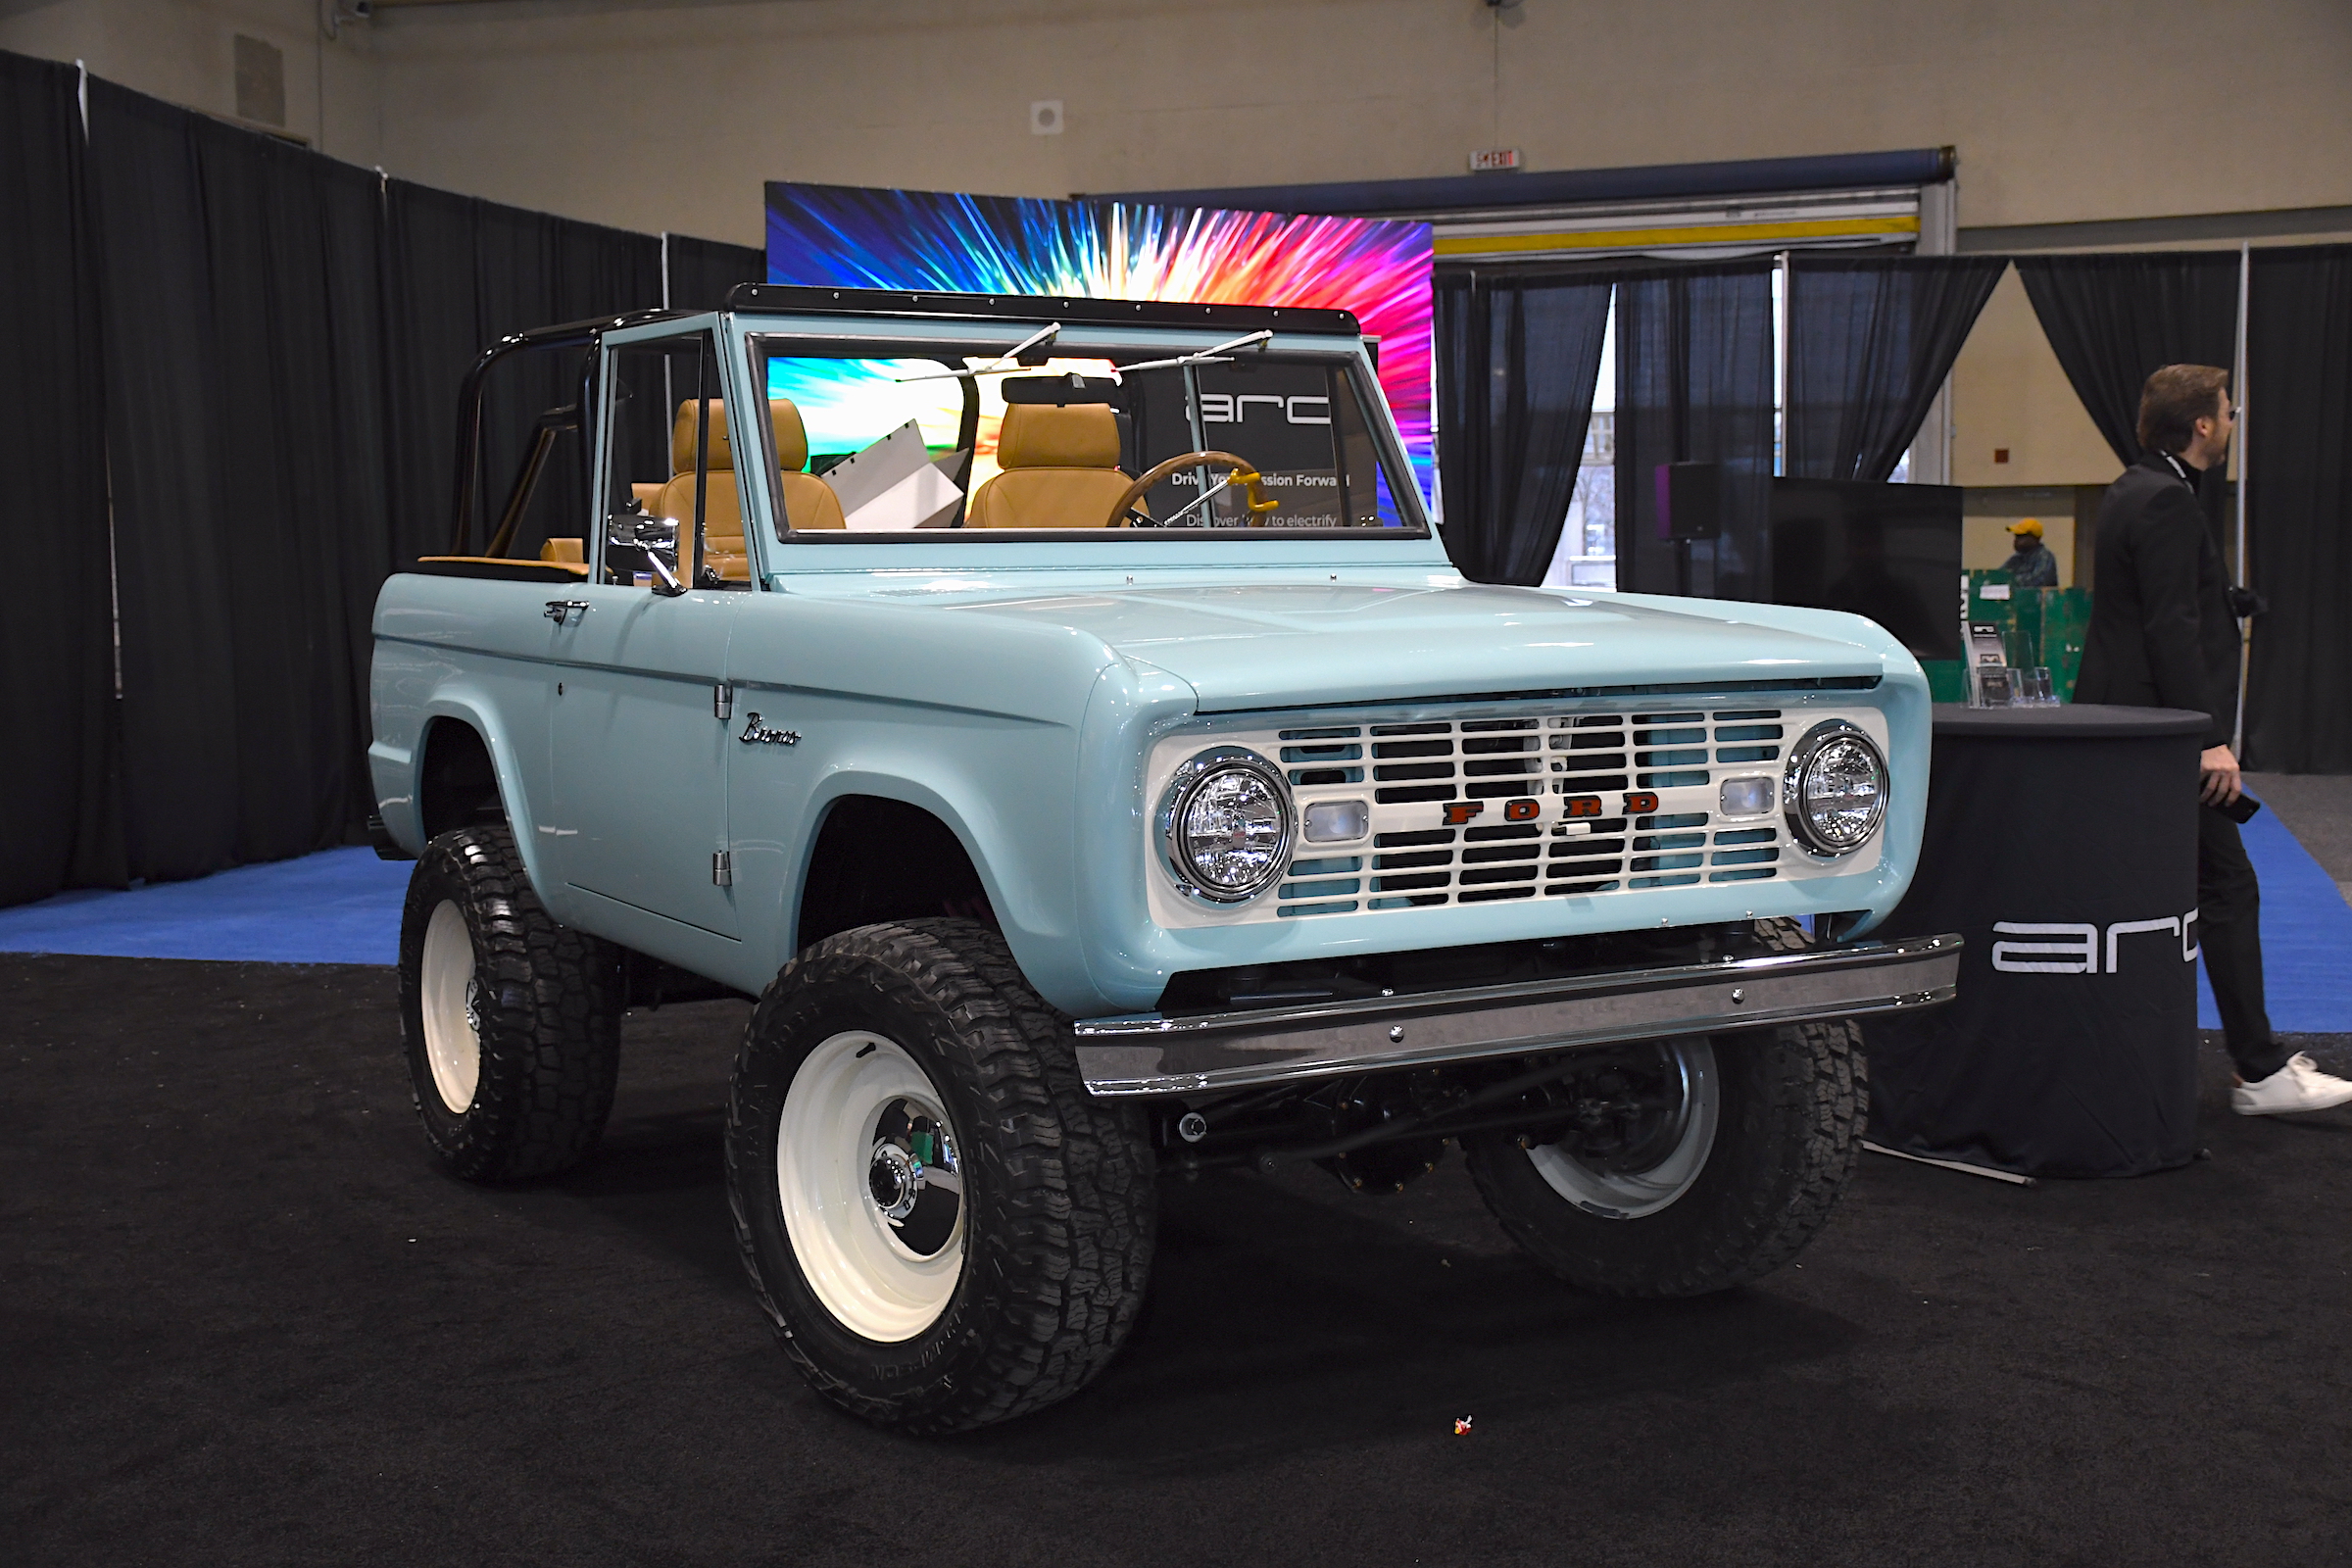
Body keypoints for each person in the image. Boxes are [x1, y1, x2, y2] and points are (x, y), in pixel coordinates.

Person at [2075, 365, 2352, 1115]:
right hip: (2161, 734)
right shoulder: (2166, 499)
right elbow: (2167, 626)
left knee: (2170, 888)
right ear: (2202, 424)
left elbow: (2159, 606)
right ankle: (2259, 1072)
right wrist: (2205, 740)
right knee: (2226, 886)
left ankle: (2234, 1062)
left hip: (2129, 729)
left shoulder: (2138, 487)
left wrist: (2224, 600)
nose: (2232, 422)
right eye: (2228, 412)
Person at [2003, 518, 2059, 588]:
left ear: (2034, 538)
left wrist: (2010, 582)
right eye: (2016, 537)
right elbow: (2000, 576)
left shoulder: (2044, 556)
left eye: (2020, 537)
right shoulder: (2016, 558)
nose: (2016, 541)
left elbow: (2039, 581)